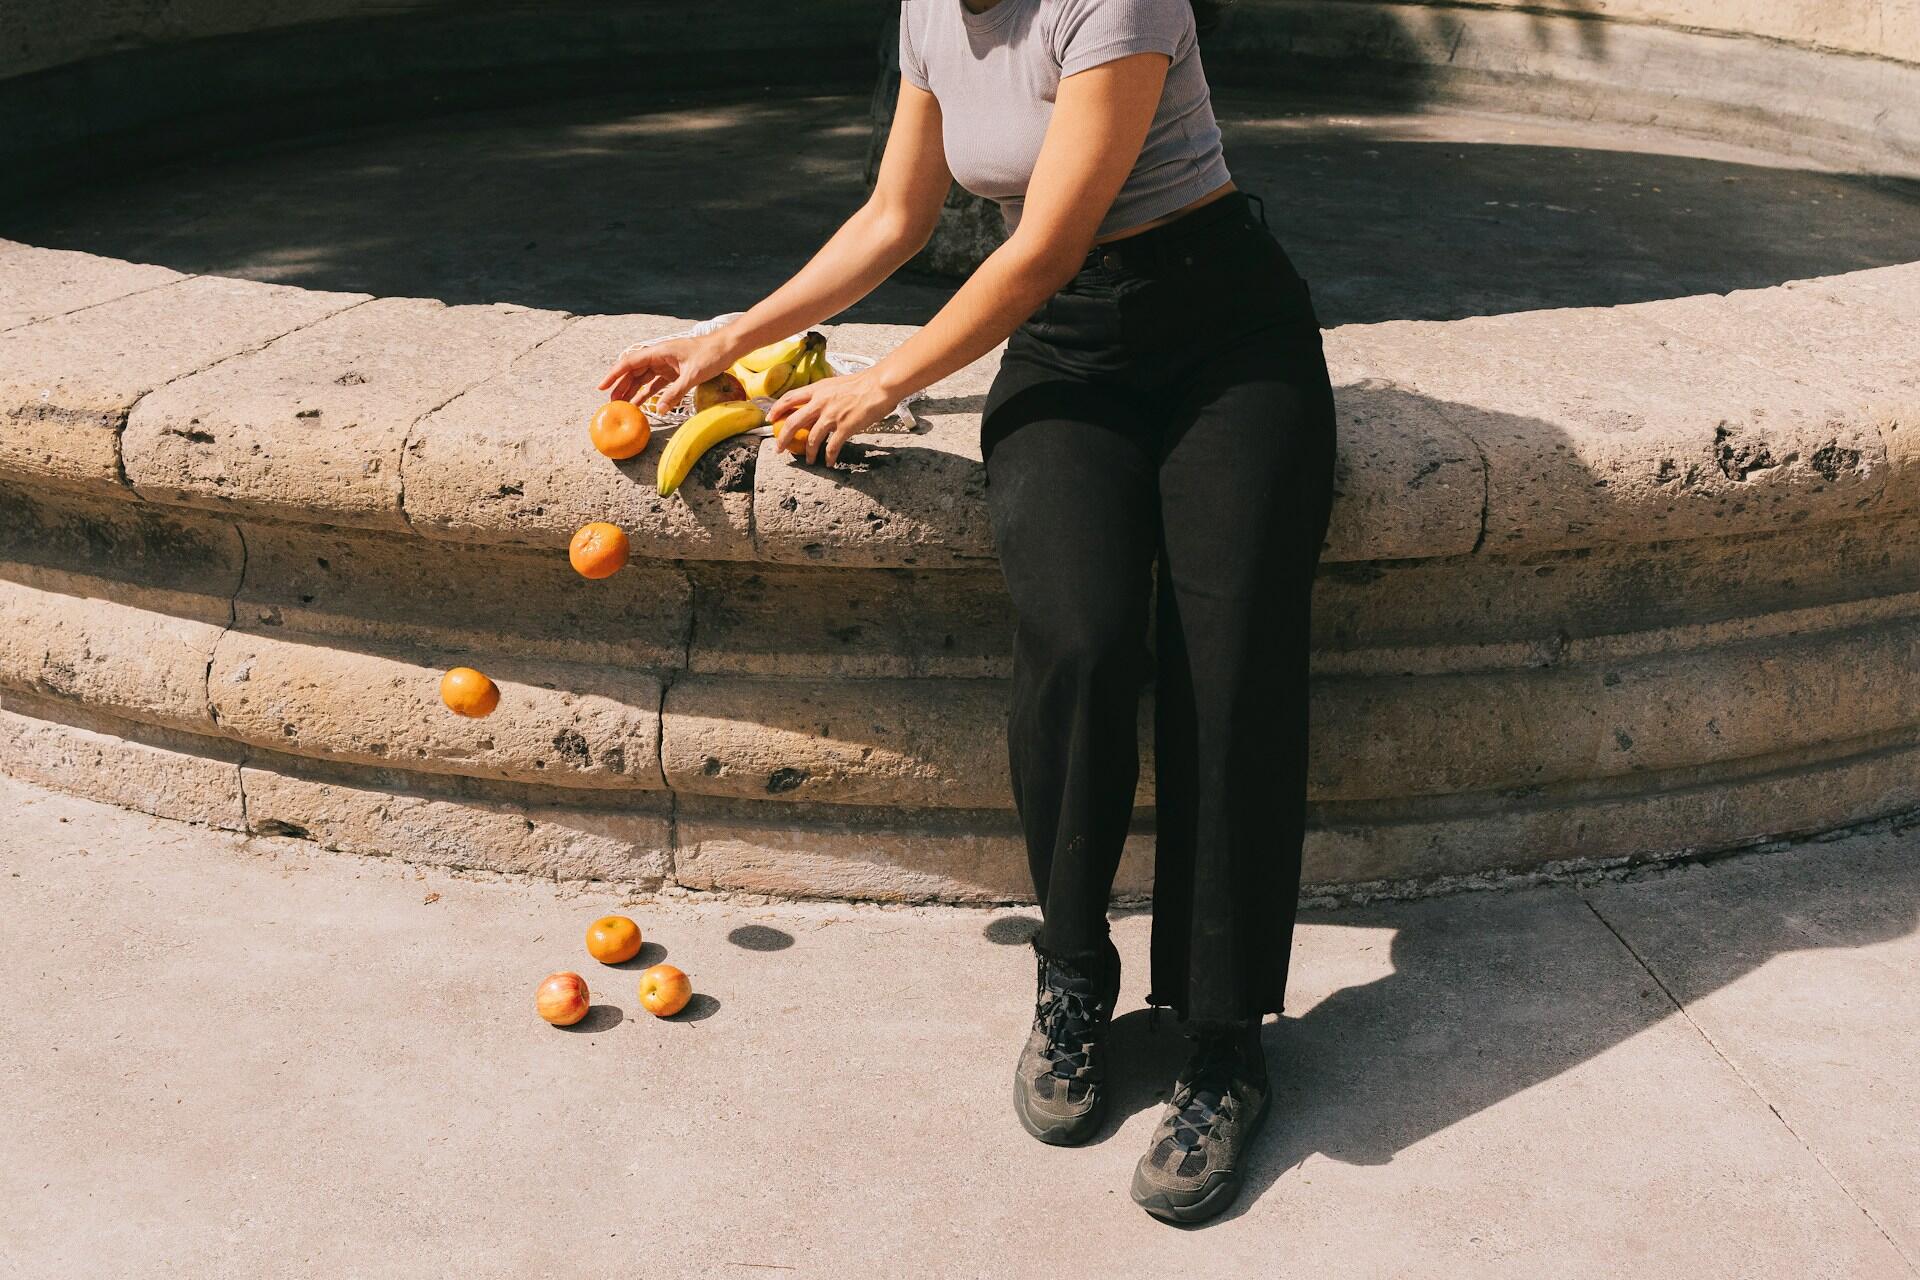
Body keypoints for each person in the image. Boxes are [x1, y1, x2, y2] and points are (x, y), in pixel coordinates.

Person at [599, 0, 1336, 1224]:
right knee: (1081, 638)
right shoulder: (928, 10)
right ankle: (1073, 970)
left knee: (1231, 656)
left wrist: (885, 379)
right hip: (1065, 354)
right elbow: (898, 216)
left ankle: (1221, 1043)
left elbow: (1045, 239)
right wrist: (731, 334)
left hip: (1227, 338)